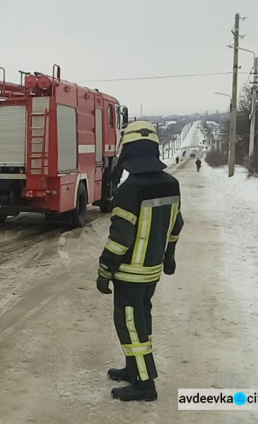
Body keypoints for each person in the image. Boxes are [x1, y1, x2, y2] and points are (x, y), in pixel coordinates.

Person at [96, 121, 184, 402]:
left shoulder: (130, 190)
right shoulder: (171, 184)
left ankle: (145, 384)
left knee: (130, 324)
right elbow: (176, 224)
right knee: (140, 320)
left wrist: (104, 270)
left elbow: (120, 238)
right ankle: (134, 368)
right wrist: (169, 255)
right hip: (152, 271)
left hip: (130, 274)